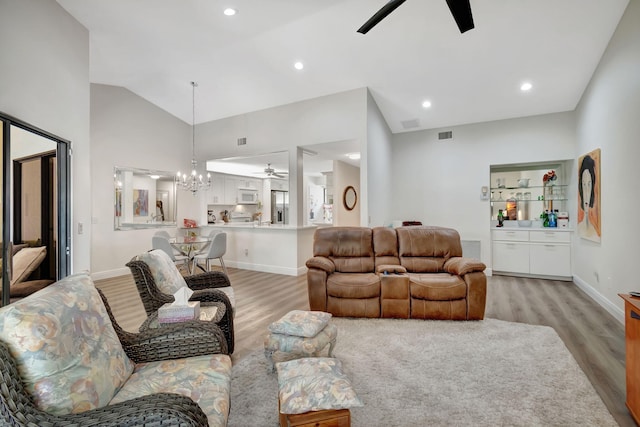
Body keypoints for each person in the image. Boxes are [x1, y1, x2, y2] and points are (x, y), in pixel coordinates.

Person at [578, 154, 599, 241]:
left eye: (589, 184)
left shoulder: (595, 233)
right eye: (584, 184)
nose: (586, 193)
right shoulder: (578, 229)